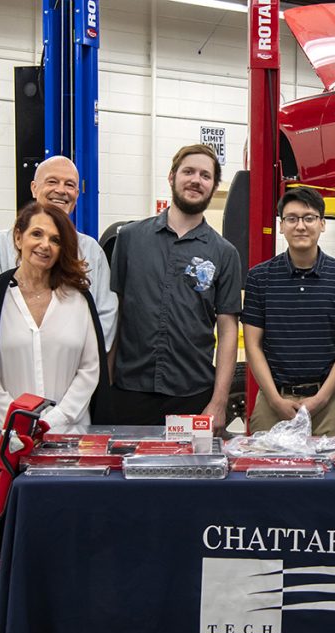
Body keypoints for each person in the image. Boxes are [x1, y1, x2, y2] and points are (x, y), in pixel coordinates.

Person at [0, 203, 107, 515]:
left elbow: (91, 368)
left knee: (66, 530)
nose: (45, 245)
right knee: (6, 536)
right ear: (17, 237)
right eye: (36, 234)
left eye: (55, 240)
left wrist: (55, 419)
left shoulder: (78, 299)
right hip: (5, 443)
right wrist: (16, 424)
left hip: (70, 439)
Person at [108, 144, 242, 432]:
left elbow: (228, 329)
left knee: (188, 475)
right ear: (172, 177)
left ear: (214, 186)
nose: (196, 180)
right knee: (126, 476)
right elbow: (114, 316)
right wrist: (105, 387)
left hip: (193, 393)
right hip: (130, 391)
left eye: (205, 175)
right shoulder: (130, 239)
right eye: (188, 171)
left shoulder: (224, 253)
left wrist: (218, 402)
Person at [242, 187, 335, 441]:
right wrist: (275, 400)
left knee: (330, 476)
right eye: (292, 218)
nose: (300, 226)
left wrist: (320, 399)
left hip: (326, 401)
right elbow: (253, 344)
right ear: (281, 225)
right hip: (273, 399)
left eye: (309, 218)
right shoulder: (259, 277)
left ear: (322, 224)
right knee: (264, 473)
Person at [0, 155, 117, 350]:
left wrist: (86, 359)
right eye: (52, 181)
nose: (60, 190)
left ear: (76, 194)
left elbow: (106, 313)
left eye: (69, 184)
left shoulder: (91, 250)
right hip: (12, 364)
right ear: (34, 188)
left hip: (73, 367)